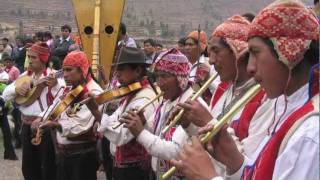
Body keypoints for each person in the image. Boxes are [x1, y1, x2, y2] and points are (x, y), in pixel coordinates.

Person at [171, 1, 319, 180]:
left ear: (288, 51)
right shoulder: (282, 104)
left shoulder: (310, 133)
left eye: (255, 53)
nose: (249, 67)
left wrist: (208, 177)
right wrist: (235, 162)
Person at [120, 48, 209, 179]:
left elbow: (174, 151)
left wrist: (139, 133)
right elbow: (157, 132)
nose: (158, 83)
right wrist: (143, 122)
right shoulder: (166, 102)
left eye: (164, 76)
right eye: (157, 76)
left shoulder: (192, 105)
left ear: (180, 78)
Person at [92, 47, 159, 180]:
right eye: (117, 69)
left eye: (122, 69)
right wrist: (102, 120)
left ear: (138, 71)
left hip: (135, 171)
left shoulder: (145, 98)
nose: (117, 74)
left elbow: (122, 135)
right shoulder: (130, 94)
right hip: (122, 167)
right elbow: (115, 118)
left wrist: (95, 112)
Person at [3, 42, 63, 180]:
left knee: (48, 165)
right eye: (28, 56)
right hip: (26, 126)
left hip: (45, 127)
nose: (29, 60)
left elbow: (60, 101)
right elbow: (5, 94)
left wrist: (56, 85)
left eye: (33, 57)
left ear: (43, 59)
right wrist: (16, 89)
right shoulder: (25, 75)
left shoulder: (54, 76)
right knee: (29, 166)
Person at [39, 51, 103, 180]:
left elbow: (80, 126)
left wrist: (55, 125)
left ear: (82, 71)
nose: (65, 75)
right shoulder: (71, 88)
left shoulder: (94, 92)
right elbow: (55, 107)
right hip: (65, 154)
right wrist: (40, 118)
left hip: (82, 156)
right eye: (64, 70)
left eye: (69, 70)